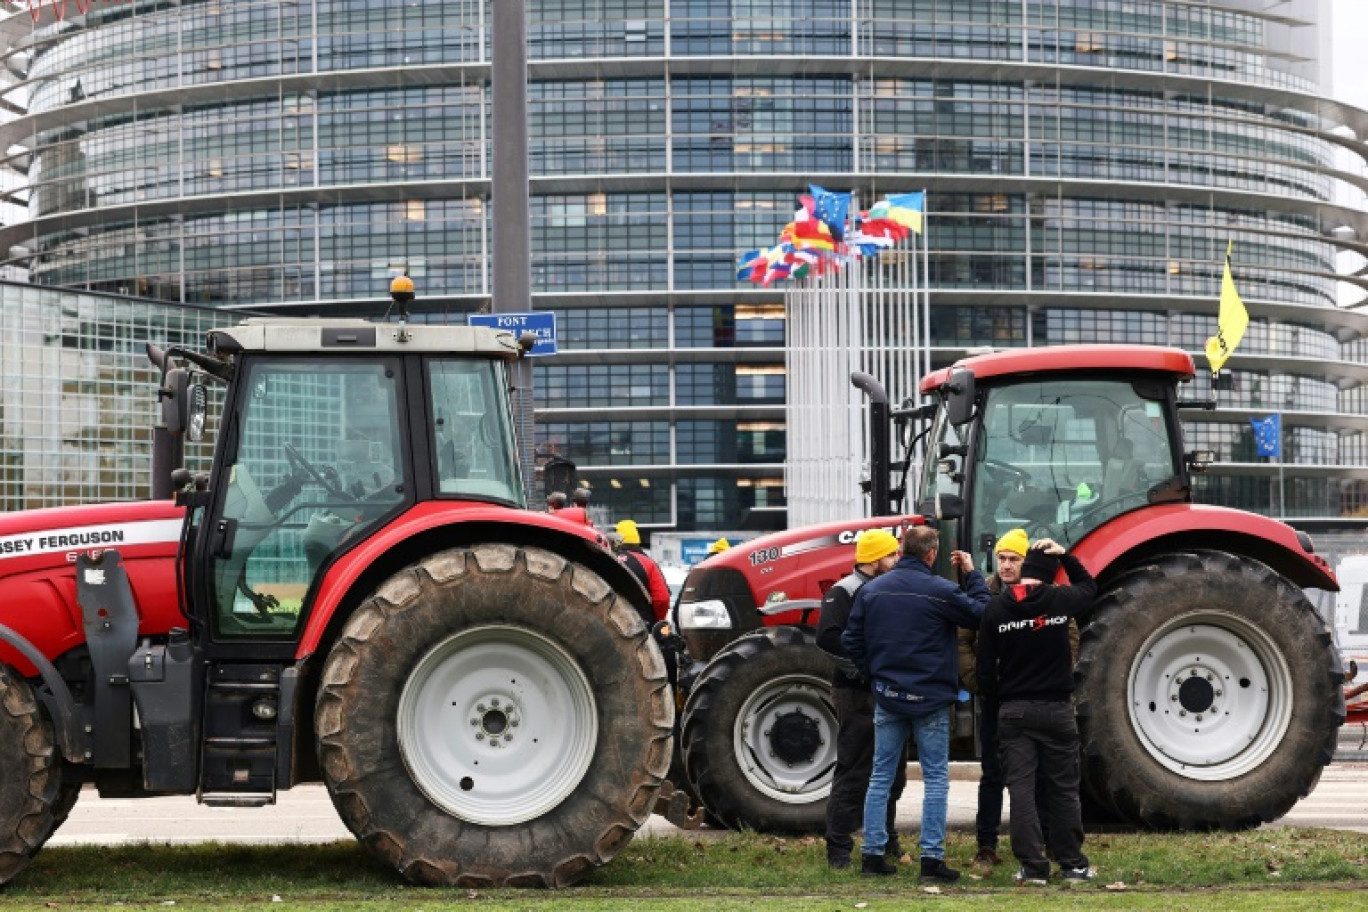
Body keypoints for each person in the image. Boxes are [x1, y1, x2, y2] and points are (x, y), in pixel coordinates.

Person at [843, 525, 989, 882]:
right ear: (931, 554)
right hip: (931, 698)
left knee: (879, 776)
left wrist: (873, 675)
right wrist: (971, 574)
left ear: (902, 550)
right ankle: (931, 860)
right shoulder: (941, 591)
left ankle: (872, 856)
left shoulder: (871, 591)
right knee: (936, 778)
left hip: (888, 696)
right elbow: (983, 614)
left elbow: (851, 640)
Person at [975, 538, 1097, 886]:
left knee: (1022, 790)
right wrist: (1068, 557)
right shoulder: (1059, 600)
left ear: (1025, 569)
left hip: (1015, 711)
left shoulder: (996, 609)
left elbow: (984, 670)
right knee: (1062, 789)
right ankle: (1072, 863)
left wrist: (1000, 699)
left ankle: (1032, 867)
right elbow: (1089, 588)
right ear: (1048, 574)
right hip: (1058, 709)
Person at [956, 529, 1079, 869]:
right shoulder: (985, 596)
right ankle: (986, 844)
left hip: (1031, 697)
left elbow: (1070, 639)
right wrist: (981, 686)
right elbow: (964, 642)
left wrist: (1054, 677)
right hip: (996, 698)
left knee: (1039, 777)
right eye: (1002, 558)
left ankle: (1045, 843)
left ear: (1026, 563)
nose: (1007, 565)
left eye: (1014, 559)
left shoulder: (1049, 596)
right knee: (993, 773)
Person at [815, 528, 904, 870]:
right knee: (855, 769)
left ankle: (886, 837)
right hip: (857, 694)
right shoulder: (843, 592)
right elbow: (827, 639)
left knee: (893, 772)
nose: (897, 561)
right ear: (877, 559)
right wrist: (865, 671)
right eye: (892, 555)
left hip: (885, 691)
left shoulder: (883, 589)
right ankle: (838, 847)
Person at [615, 519, 670, 624]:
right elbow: (662, 599)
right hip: (642, 624)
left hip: (612, 623)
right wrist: (658, 620)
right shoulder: (648, 563)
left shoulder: (606, 561)